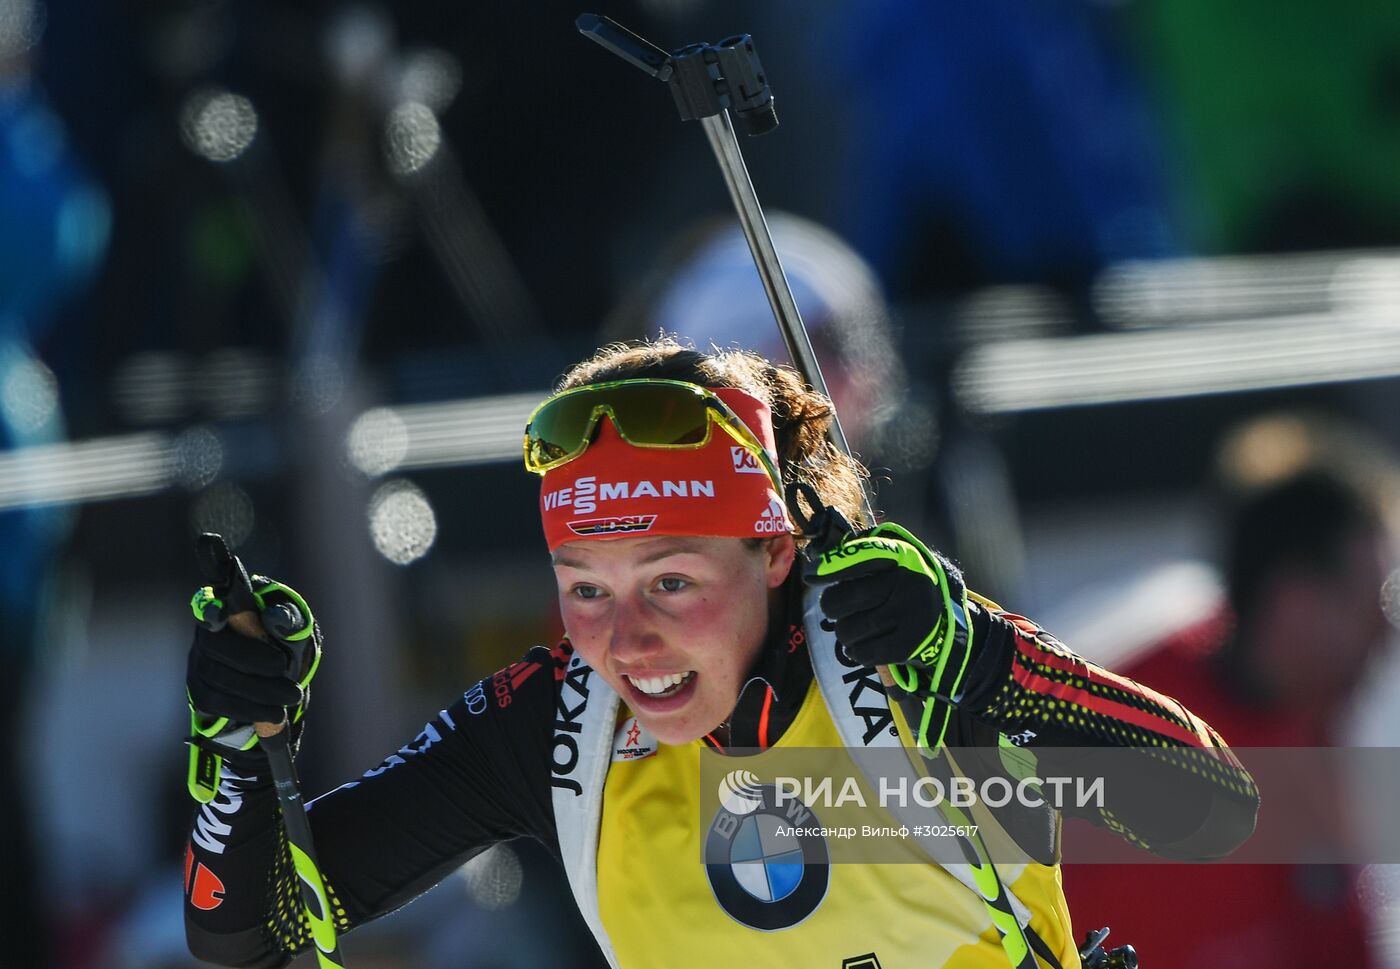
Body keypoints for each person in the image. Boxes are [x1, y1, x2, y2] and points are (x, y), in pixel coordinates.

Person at [182, 337, 1258, 969]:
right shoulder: (564, 721)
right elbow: (259, 933)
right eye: (585, 591)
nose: (623, 642)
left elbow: (1215, 813)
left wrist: (987, 660)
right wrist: (241, 745)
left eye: (671, 583)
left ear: (774, 552)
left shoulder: (902, 666)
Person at [1063, 455, 1394, 968]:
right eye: (1371, 605)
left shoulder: (1312, 723)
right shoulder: (1116, 723)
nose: (1385, 636)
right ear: (1295, 601)